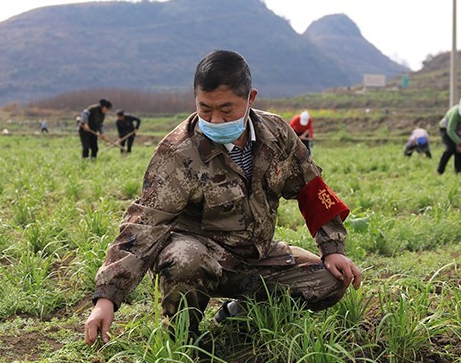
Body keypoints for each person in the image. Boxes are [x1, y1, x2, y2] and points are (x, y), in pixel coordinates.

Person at [84, 50, 362, 345]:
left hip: (257, 257)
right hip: (201, 259)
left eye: (226, 110)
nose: (215, 120)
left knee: (331, 280)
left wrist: (333, 248)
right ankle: (183, 341)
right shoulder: (179, 152)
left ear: (250, 99)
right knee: (183, 259)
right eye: (205, 109)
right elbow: (144, 223)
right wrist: (107, 297)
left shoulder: (277, 134)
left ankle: (240, 314)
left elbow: (312, 189)